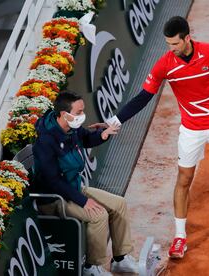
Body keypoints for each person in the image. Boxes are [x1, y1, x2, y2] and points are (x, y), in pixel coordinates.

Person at [106, 16, 209, 259]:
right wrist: (114, 122)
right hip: (191, 129)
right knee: (184, 178)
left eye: (175, 44)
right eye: (168, 44)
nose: (171, 49)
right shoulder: (165, 65)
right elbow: (143, 98)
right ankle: (180, 237)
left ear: (187, 38)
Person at [32, 91, 139, 276]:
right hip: (55, 198)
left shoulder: (71, 129)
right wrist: (83, 201)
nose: (82, 115)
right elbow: (53, 181)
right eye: (79, 112)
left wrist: (103, 134)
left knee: (118, 204)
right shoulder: (45, 141)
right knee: (99, 215)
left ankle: (121, 259)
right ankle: (92, 267)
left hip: (73, 188)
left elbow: (87, 138)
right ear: (65, 114)